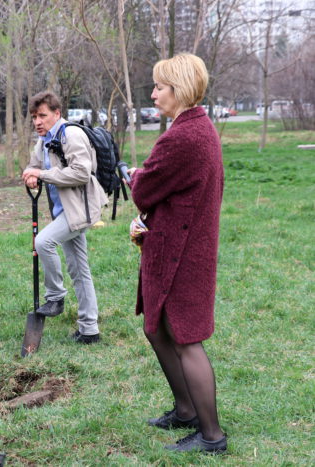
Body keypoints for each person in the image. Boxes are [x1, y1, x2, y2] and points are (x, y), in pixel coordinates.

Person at [127, 53, 227, 453]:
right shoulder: (195, 129)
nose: (153, 94)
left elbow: (143, 190)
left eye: (159, 87)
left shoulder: (184, 137)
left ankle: (212, 436)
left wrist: (137, 175)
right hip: (178, 245)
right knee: (158, 328)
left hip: (183, 253)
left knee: (186, 338)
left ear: (179, 90)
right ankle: (185, 410)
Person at [21, 91, 108, 344]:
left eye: (43, 116)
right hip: (64, 210)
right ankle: (89, 330)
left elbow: (81, 173)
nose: (38, 121)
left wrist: (43, 174)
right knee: (79, 270)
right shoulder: (44, 140)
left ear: (57, 114)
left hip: (80, 210)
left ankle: (56, 296)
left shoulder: (71, 134)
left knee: (43, 242)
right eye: (34, 117)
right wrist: (30, 173)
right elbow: (33, 165)